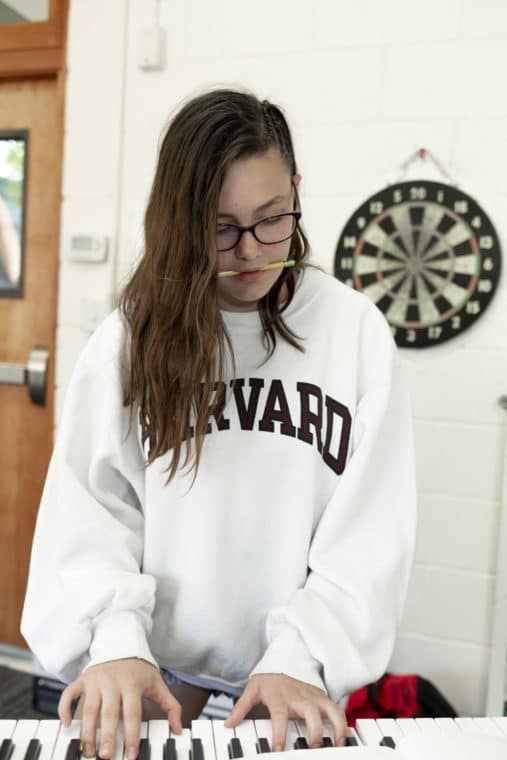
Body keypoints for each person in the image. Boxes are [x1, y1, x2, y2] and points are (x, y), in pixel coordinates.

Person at [21, 88, 416, 758]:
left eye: (271, 219)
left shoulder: (352, 332)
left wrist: (301, 653)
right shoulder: (129, 338)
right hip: (152, 668)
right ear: (180, 220)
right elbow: (92, 510)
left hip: (295, 672)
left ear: (295, 189)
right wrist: (115, 642)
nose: (251, 252)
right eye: (220, 228)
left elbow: (369, 530)